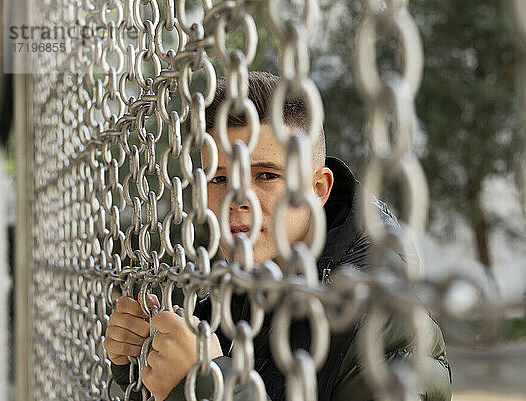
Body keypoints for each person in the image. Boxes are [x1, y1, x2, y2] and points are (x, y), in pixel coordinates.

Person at [104, 71, 452, 401]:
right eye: (219, 179)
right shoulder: (229, 299)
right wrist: (141, 367)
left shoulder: (384, 324)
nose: (239, 200)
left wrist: (211, 385)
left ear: (318, 189)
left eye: (266, 176)